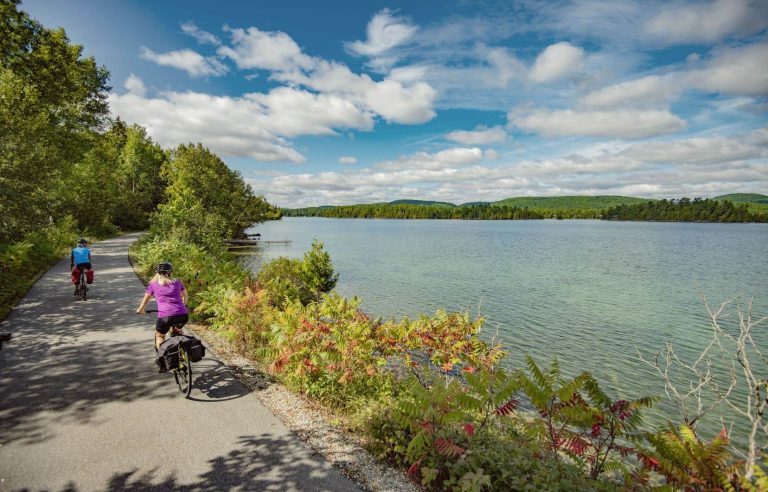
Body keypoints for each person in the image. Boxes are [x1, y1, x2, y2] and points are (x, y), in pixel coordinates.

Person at [136, 262, 189, 351]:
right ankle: (182, 349)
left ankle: (163, 357)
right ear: (170, 272)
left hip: (165, 317)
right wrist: (182, 306)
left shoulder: (153, 285)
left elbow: (145, 300)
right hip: (183, 315)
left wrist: (140, 310)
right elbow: (185, 296)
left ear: (157, 273)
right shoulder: (177, 282)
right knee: (177, 329)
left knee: (160, 335)